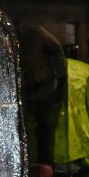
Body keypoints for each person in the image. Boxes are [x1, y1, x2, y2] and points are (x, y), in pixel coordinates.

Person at [19, 25, 67, 169]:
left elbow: (57, 47)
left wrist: (58, 72)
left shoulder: (35, 32)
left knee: (44, 127)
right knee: (29, 129)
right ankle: (32, 166)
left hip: (44, 88)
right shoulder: (25, 35)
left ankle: (45, 165)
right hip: (28, 90)